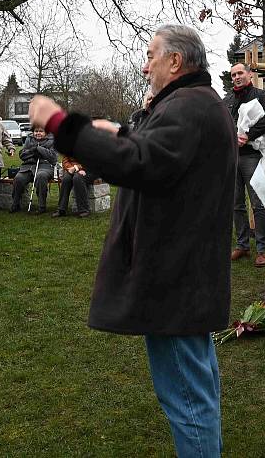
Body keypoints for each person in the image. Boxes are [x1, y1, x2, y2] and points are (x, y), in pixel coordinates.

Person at [29, 24, 235, 456]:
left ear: (175, 62)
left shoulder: (188, 106)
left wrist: (62, 125)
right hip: (185, 276)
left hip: (174, 280)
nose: (145, 67)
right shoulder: (194, 104)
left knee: (188, 399)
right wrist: (121, 134)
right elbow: (163, 160)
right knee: (196, 391)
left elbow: (139, 165)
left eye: (151, 56)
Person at [222, 62, 265, 267]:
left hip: (252, 157)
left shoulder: (261, 96)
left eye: (240, 73)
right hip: (231, 157)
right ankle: (242, 245)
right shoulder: (227, 99)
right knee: (236, 204)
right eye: (233, 75)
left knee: (258, 203)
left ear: (249, 75)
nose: (236, 77)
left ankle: (263, 249)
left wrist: (249, 134)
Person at [10, 127, 56, 214]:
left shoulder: (52, 141)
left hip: (45, 166)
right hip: (28, 166)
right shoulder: (29, 140)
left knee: (41, 176)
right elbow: (22, 155)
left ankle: (42, 206)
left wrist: (41, 150)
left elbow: (53, 158)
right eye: (36, 131)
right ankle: (16, 204)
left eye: (41, 131)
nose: (38, 133)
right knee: (19, 178)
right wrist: (33, 151)